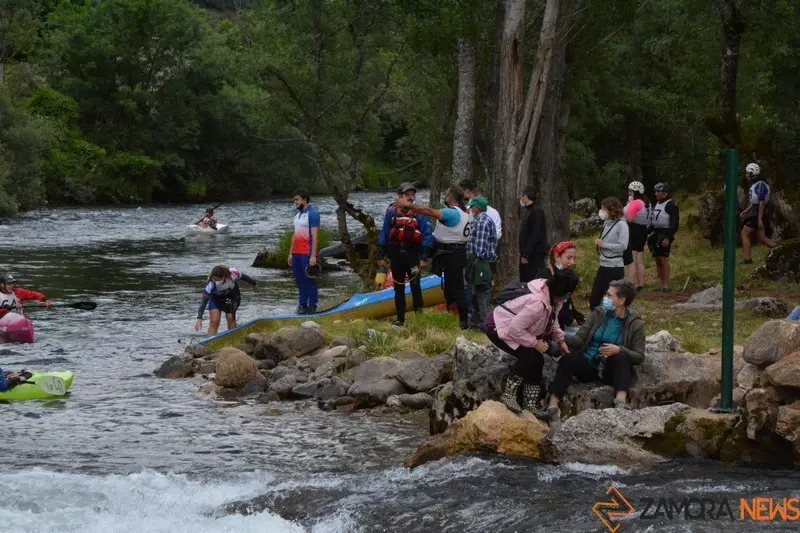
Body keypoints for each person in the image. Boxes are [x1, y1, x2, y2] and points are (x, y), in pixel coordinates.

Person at [540, 279, 646, 424]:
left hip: (611, 370)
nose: (605, 299)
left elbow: (639, 356)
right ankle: (552, 407)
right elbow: (580, 339)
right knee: (568, 358)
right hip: (589, 365)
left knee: (622, 356)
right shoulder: (598, 313)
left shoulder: (635, 324)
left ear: (621, 300)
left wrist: (619, 349)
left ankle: (620, 403)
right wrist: (559, 336)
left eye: (609, 296)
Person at [485, 269, 580, 415]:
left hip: (517, 327)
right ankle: (509, 394)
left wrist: (561, 340)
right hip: (499, 326)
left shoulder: (553, 296)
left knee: (538, 360)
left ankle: (530, 402)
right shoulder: (538, 303)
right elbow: (514, 329)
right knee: (528, 355)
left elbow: (552, 319)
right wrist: (535, 343)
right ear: (565, 292)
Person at [396, 185, 473, 329]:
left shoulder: (452, 213)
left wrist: (408, 205)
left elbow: (428, 211)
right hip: (458, 253)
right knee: (453, 289)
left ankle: (463, 324)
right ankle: (457, 320)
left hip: (452, 254)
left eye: (447, 193)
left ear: (450, 195)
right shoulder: (466, 212)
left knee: (457, 290)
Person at [378, 182, 434, 327]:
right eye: (407, 195)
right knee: (398, 287)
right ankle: (400, 319)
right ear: (400, 196)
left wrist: (424, 257)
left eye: (412, 195)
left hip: (413, 255)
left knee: (415, 285)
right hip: (396, 255)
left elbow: (427, 235)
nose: (410, 198)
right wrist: (382, 255)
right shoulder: (391, 212)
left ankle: (419, 318)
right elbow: (384, 233)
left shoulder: (419, 212)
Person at [589, 197, 629, 310]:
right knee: (595, 299)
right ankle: (596, 322)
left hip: (615, 267)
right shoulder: (607, 222)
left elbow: (623, 246)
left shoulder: (622, 224)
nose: (601, 211)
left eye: (603, 208)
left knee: (614, 300)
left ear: (611, 209)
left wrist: (604, 245)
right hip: (603, 265)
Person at [536, 241, 584, 334]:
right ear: (557, 257)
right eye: (569, 258)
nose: (572, 262)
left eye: (574, 258)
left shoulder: (566, 275)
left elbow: (567, 301)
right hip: (547, 328)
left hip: (561, 325)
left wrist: (576, 317)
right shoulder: (545, 277)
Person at [195, 265, 257, 336]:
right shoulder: (210, 283)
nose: (216, 282)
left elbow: (244, 277)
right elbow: (204, 301)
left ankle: (233, 337)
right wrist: (199, 318)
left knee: (230, 317)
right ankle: (210, 341)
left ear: (224, 276)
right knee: (214, 321)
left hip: (230, 296)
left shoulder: (233, 274)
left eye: (218, 280)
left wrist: (254, 284)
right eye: (214, 279)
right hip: (215, 298)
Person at [465, 196, 497, 330]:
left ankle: (486, 324)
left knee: (482, 292)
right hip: (480, 261)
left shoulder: (483, 221)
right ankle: (476, 321)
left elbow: (480, 247)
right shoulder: (482, 219)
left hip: (481, 262)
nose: (471, 209)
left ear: (477, 208)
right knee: (476, 291)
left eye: (472, 207)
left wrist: (473, 260)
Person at [288, 191, 321, 314]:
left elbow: (315, 236)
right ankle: (302, 305)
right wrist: (290, 253)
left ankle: (312, 305)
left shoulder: (313, 214)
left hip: (307, 253)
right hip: (296, 253)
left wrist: (313, 256)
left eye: (297, 200)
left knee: (310, 280)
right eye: (294, 200)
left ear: (305, 200)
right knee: (299, 281)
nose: (295, 202)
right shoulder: (297, 215)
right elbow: (294, 235)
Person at [740, 163, 778, 265]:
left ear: (752, 173)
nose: (746, 175)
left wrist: (759, 219)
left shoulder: (760, 185)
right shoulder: (755, 184)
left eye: (748, 173)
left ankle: (747, 259)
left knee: (744, 233)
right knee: (762, 238)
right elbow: (755, 202)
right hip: (757, 212)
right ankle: (781, 249)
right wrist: (746, 211)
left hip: (759, 213)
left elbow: (761, 203)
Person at [647, 182, 679, 292]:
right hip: (656, 232)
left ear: (664, 193)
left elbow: (674, 223)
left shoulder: (671, 205)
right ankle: (661, 284)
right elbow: (654, 220)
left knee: (662, 258)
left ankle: (666, 285)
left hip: (665, 233)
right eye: (655, 191)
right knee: (657, 258)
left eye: (658, 191)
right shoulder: (656, 204)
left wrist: (668, 237)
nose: (656, 193)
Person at [623, 181, 650, 291]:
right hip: (643, 230)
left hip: (634, 229)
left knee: (632, 258)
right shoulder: (645, 202)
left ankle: (631, 284)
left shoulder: (635, 203)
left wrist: (621, 219)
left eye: (631, 191)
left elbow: (630, 219)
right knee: (639, 259)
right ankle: (641, 283)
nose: (629, 193)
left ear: (635, 192)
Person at [519, 185, 548, 282]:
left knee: (532, 281)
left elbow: (535, 234)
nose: (521, 198)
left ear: (525, 196)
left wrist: (526, 254)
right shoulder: (529, 211)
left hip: (534, 255)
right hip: (528, 253)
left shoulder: (536, 211)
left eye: (522, 196)